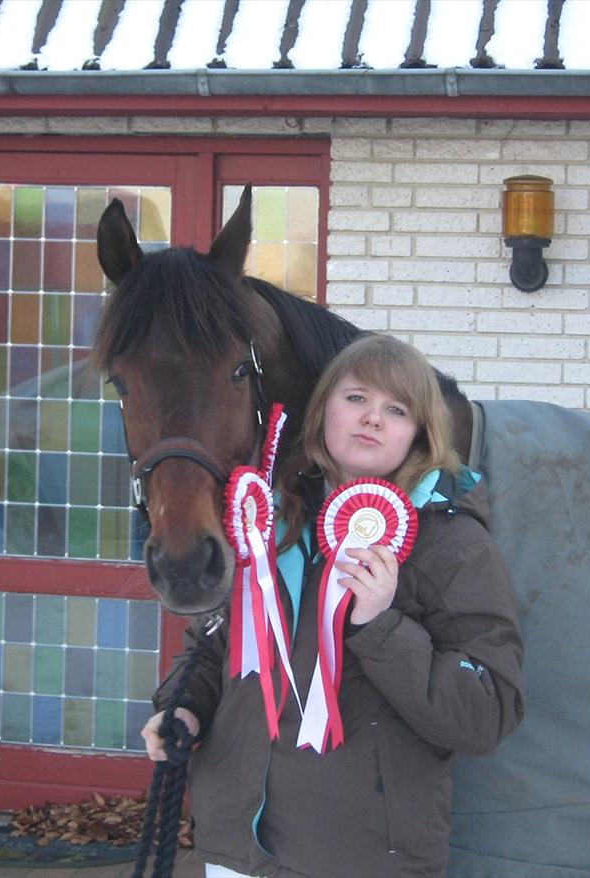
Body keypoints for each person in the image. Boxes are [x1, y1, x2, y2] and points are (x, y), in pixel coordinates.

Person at [141, 333, 525, 878]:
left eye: (397, 409)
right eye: (356, 398)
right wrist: (183, 707)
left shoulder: (454, 545)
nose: (372, 418)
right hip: (233, 849)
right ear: (323, 410)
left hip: (359, 858)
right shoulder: (271, 520)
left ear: (419, 432)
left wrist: (382, 626)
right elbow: (216, 646)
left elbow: (485, 714)